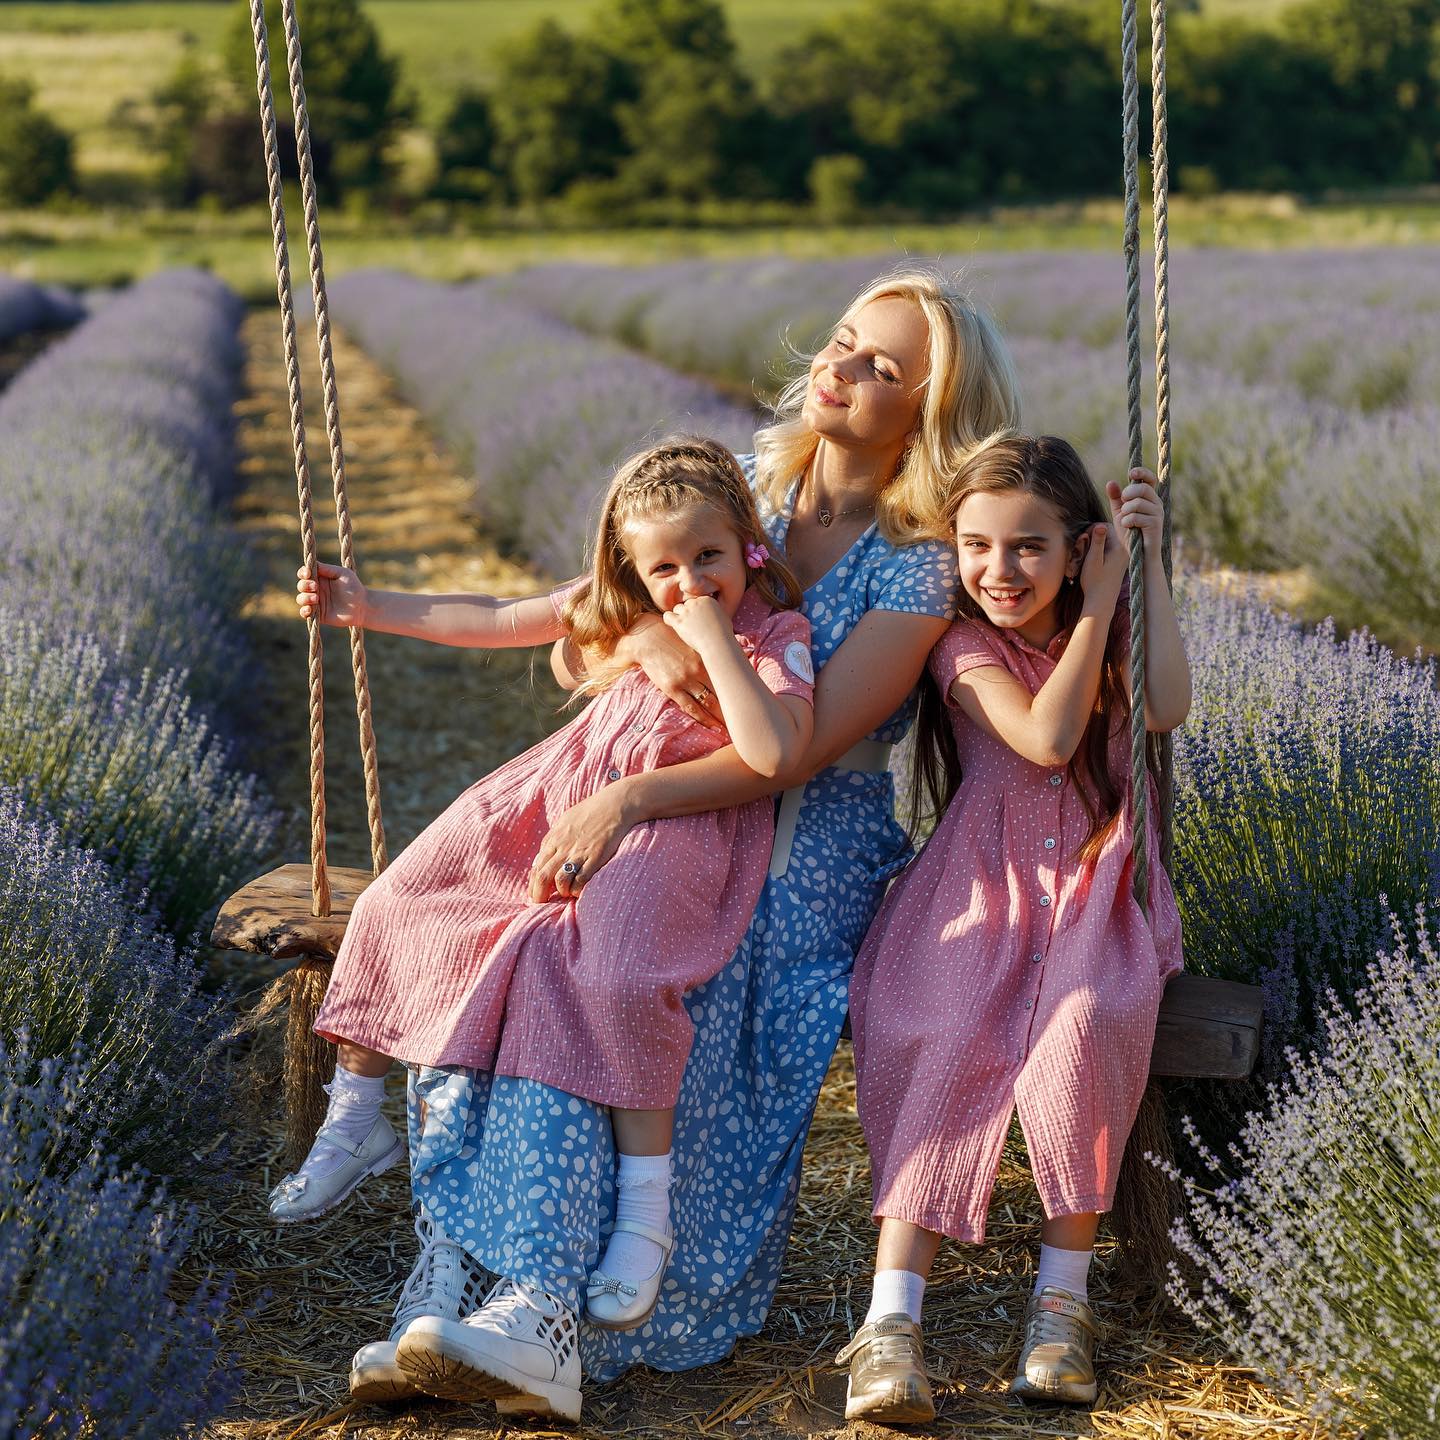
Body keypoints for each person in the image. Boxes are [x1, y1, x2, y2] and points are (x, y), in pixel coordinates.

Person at [345, 266, 1022, 1423]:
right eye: (843, 341)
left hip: (799, 853)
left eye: (882, 368)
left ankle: (549, 1308)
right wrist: (643, 649)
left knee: (613, 976)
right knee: (515, 948)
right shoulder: (744, 493)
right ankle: (478, 1275)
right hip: (669, 824)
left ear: (931, 409)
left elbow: (796, 756)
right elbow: (584, 633)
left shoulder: (918, 560)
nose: (840, 369)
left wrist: (629, 797)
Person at [275, 439, 814, 1344]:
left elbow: (771, 753)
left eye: (709, 557)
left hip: (672, 830)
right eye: (664, 568)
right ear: (630, 570)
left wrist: (715, 641)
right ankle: (357, 1113)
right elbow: (496, 616)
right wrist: (366, 607)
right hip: (553, 796)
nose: (688, 583)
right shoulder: (623, 612)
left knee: (620, 974)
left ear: (748, 546)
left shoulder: (777, 635)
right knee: (399, 902)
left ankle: (644, 1213)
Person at [838, 434, 1190, 1424]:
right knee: (945, 1035)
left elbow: (1166, 706)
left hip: (1087, 895)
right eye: (978, 545)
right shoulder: (961, 646)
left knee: (1084, 1034)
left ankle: (1060, 1310)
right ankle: (890, 1321)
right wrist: (1099, 612)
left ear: (1078, 550)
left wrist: (1145, 575)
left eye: (1029, 546)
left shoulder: (1110, 620)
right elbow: (1046, 738)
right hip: (977, 896)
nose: (1000, 570)